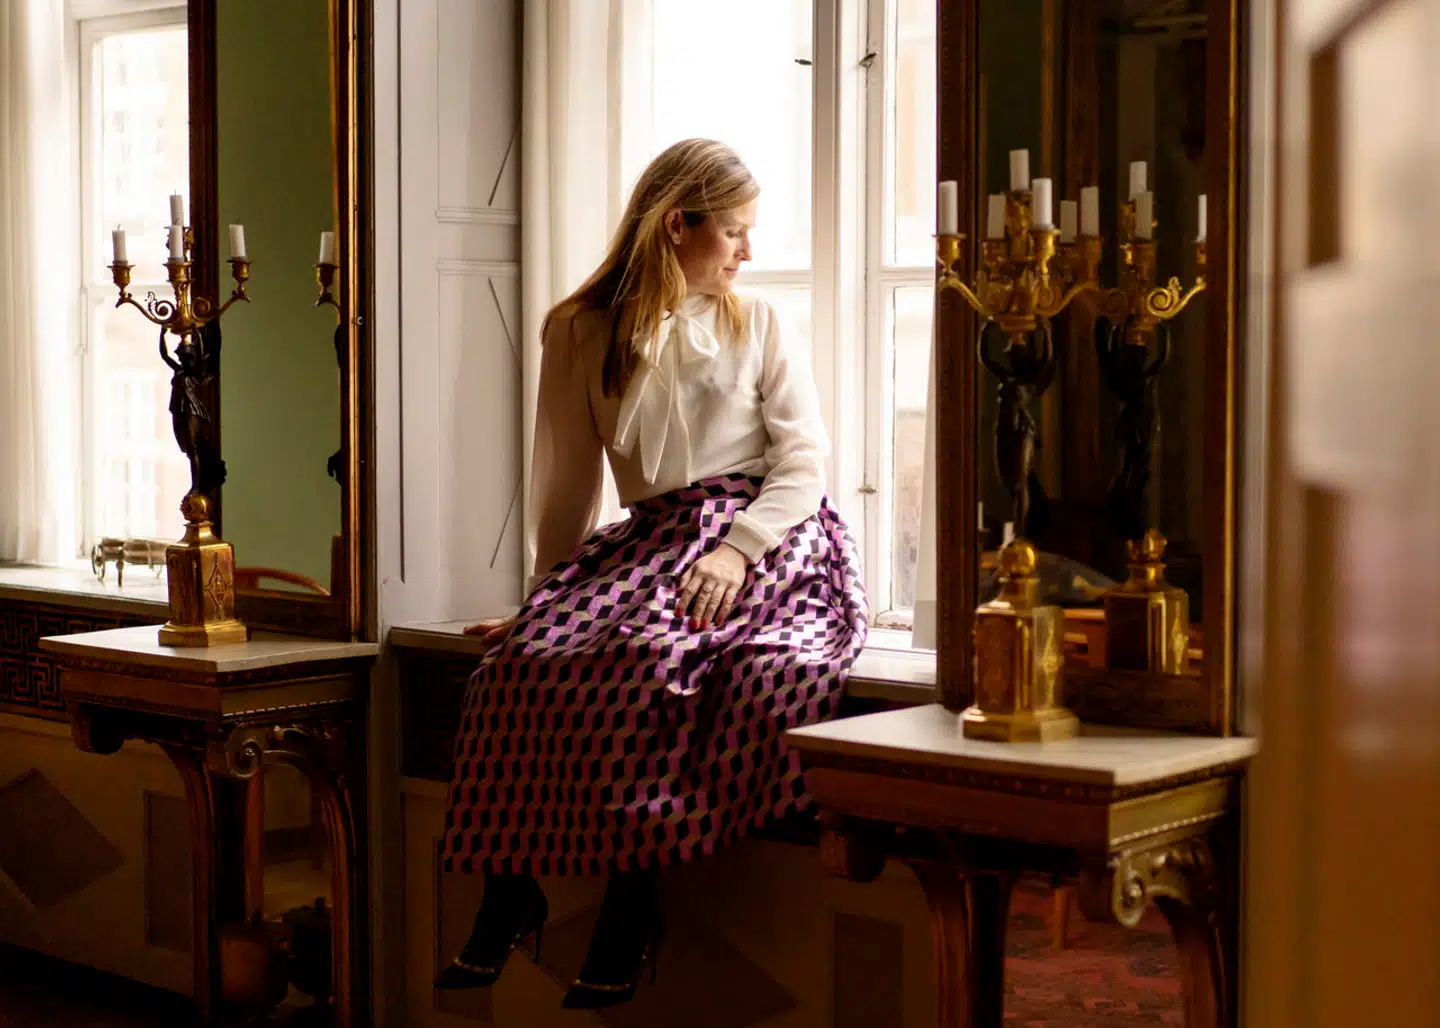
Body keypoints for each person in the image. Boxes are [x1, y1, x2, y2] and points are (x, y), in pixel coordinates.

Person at [437, 138, 868, 1010]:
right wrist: (543, 605)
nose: (748, 251)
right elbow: (567, 485)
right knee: (512, 668)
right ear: (678, 225)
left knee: (656, 660)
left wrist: (736, 548)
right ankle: (508, 889)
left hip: (761, 533)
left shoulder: (759, 322)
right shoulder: (578, 328)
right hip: (651, 538)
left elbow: (804, 462)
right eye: (734, 231)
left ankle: (631, 907)